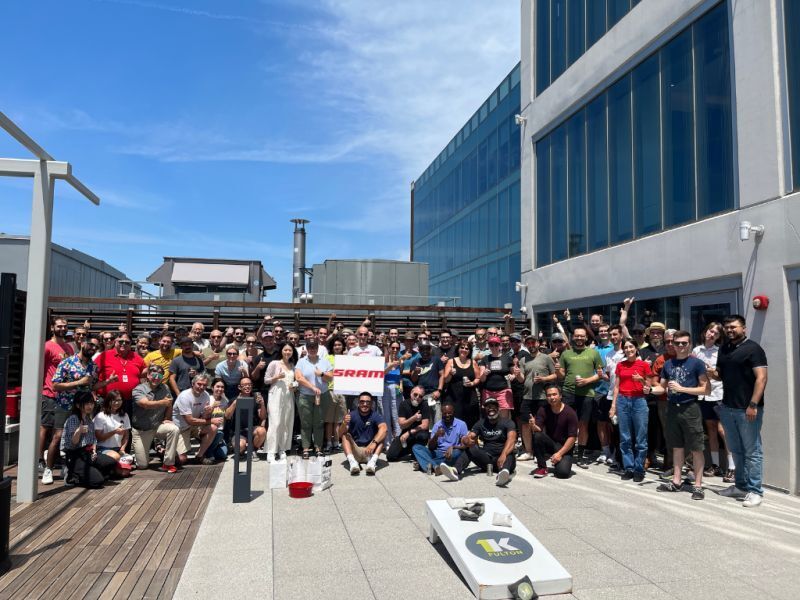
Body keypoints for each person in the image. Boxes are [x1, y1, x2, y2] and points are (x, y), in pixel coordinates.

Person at [649, 330, 710, 500]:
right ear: (672, 345)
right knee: (676, 447)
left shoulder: (697, 363)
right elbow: (662, 387)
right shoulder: (668, 364)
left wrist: (683, 389)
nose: (681, 346)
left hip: (690, 408)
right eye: (677, 343)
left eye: (684, 343)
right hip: (672, 409)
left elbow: (706, 388)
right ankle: (676, 481)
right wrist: (651, 390)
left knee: (697, 448)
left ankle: (698, 485)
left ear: (689, 344)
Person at [715, 315, 768, 508]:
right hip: (728, 407)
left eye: (734, 327)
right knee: (736, 450)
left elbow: (761, 378)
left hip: (747, 409)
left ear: (743, 328)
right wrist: (712, 373)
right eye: (727, 327)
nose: (730, 330)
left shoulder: (753, 349)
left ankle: (755, 491)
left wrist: (753, 405)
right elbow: (722, 374)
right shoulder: (724, 349)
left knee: (752, 451)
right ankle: (741, 486)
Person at [557, 327, 603, 468]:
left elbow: (600, 374)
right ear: (573, 337)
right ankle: (566, 452)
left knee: (583, 425)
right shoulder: (566, 354)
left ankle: (581, 455)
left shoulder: (593, 353)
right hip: (568, 393)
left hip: (587, 394)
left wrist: (587, 381)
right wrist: (557, 370)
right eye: (576, 336)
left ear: (586, 338)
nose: (579, 338)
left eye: (582, 336)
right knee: (566, 424)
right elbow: (561, 376)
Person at [609, 339, 653, 482]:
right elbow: (616, 386)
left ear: (636, 348)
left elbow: (648, 387)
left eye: (631, 347)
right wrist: (613, 405)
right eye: (626, 347)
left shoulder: (644, 365)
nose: (628, 349)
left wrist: (641, 379)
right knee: (625, 438)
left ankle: (639, 469)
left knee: (641, 438)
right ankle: (628, 467)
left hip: (639, 401)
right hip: (623, 400)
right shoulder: (620, 365)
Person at [39, 317, 75, 484]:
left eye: (65, 326)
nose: (62, 328)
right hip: (50, 394)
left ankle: (53, 462)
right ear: (52, 327)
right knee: (46, 428)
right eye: (59, 326)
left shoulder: (68, 347)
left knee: (60, 433)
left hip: (66, 397)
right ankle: (41, 462)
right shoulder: (47, 346)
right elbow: (41, 369)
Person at [451, 397, 517, 486]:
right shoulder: (480, 423)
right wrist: (466, 440)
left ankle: (502, 475)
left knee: (510, 453)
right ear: (485, 409)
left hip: (504, 458)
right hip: (487, 459)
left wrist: (503, 455)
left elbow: (511, 440)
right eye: (488, 406)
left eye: (493, 406)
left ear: (498, 408)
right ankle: (455, 471)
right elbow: (470, 436)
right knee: (471, 449)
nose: (491, 408)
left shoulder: (508, 422)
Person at [692, 322, 728, 478]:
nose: (711, 334)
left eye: (716, 333)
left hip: (718, 395)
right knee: (711, 430)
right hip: (703, 395)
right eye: (710, 331)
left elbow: (722, 376)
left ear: (719, 337)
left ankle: (732, 467)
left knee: (723, 431)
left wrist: (712, 372)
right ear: (705, 331)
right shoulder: (696, 350)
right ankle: (715, 465)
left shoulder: (720, 352)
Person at [61, 392, 118, 488]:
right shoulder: (73, 419)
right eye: (87, 403)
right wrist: (78, 431)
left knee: (111, 462)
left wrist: (94, 451)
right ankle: (72, 475)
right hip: (74, 455)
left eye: (91, 403)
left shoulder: (89, 420)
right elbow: (72, 444)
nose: (90, 406)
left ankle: (91, 472)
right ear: (78, 405)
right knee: (97, 481)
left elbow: (93, 440)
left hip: (87, 453)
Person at [131, 364, 179, 472]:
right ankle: (145, 453)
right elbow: (145, 404)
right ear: (148, 375)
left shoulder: (165, 387)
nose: (156, 378)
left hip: (157, 426)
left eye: (160, 376)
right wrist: (162, 402)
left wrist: (167, 418)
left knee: (174, 429)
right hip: (142, 430)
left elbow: (169, 404)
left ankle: (168, 463)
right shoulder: (139, 389)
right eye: (154, 375)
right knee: (142, 465)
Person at [519, 335, 557, 461]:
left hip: (542, 396)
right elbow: (521, 379)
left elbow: (555, 375)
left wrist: (543, 379)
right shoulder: (523, 360)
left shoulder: (546, 358)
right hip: (527, 396)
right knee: (525, 424)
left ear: (538, 343)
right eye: (528, 343)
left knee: (542, 424)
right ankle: (529, 452)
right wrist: (516, 374)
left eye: (533, 342)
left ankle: (542, 452)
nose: (531, 345)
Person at [294, 340, 332, 456]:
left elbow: (331, 377)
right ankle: (305, 448)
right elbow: (299, 378)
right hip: (305, 396)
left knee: (319, 422)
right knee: (306, 423)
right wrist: (312, 387)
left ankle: (318, 447)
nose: (312, 349)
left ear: (317, 347)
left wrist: (321, 374)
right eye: (309, 346)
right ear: (306, 347)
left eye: (314, 346)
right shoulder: (301, 362)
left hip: (322, 395)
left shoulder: (324, 362)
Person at [531, 385, 578, 479]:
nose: (552, 397)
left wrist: (559, 454)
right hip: (551, 444)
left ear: (560, 396)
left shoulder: (570, 412)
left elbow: (573, 437)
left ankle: (557, 460)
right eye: (549, 395)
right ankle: (542, 467)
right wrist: (533, 426)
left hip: (565, 447)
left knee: (562, 474)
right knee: (537, 436)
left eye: (554, 394)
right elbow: (538, 430)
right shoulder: (543, 409)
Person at [94, 333, 145, 417]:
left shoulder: (136, 357)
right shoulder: (104, 355)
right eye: (121, 341)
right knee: (104, 427)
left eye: (127, 342)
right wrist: (93, 393)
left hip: (128, 402)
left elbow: (145, 372)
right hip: (107, 400)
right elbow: (92, 375)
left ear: (130, 343)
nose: (123, 344)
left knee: (125, 428)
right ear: (115, 342)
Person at [172, 374, 218, 466]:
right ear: (193, 384)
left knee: (213, 428)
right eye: (199, 384)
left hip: (195, 426)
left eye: (204, 385)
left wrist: (207, 413)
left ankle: (199, 456)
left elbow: (202, 418)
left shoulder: (205, 395)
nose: (201, 387)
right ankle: (167, 450)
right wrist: (210, 421)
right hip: (182, 428)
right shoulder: (184, 396)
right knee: (182, 460)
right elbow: (190, 420)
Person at [339, 392, 387, 475]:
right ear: (358, 403)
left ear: (371, 404)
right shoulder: (351, 415)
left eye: (368, 402)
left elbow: (384, 428)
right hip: (355, 451)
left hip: (369, 451)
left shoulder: (375, 415)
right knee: (345, 435)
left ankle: (372, 463)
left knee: (382, 436)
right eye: (362, 401)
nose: (365, 404)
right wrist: (344, 423)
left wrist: (374, 443)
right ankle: (352, 463)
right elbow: (339, 435)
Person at [414, 401, 467, 478]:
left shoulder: (461, 424)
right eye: (445, 413)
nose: (447, 415)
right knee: (416, 447)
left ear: (453, 413)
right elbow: (431, 447)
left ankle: (426, 464)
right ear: (442, 413)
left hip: (452, 453)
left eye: (449, 413)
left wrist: (453, 447)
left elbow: (464, 445)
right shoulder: (437, 425)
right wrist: (436, 435)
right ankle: (436, 467)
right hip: (438, 452)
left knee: (458, 453)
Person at [264, 343, 298, 462]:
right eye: (285, 350)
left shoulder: (292, 365)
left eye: (290, 350)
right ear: (281, 351)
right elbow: (266, 380)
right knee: (275, 422)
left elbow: (294, 381)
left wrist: (294, 386)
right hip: (276, 395)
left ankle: (282, 449)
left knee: (286, 422)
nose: (287, 352)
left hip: (289, 396)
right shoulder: (274, 363)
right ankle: (271, 451)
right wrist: (277, 377)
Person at [386, 385, 431, 462]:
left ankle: (416, 451)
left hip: (417, 434)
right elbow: (402, 425)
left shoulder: (424, 405)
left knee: (423, 435)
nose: (417, 398)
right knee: (390, 456)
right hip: (405, 435)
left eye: (420, 396)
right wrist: (413, 418)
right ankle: (411, 450)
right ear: (411, 393)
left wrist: (409, 432)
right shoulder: (404, 404)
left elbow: (425, 425)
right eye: (415, 394)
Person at [93, 390, 132, 477]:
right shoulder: (101, 416)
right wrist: (114, 432)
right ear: (108, 401)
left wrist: (122, 449)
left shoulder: (124, 415)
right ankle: (107, 469)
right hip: (103, 448)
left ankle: (112, 470)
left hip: (117, 449)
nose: (117, 403)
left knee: (127, 465)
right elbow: (99, 437)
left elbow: (126, 435)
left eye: (119, 400)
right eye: (114, 400)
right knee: (115, 457)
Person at [442, 341, 481, 428]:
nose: (464, 350)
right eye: (462, 347)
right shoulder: (451, 362)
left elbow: (478, 378)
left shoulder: (473, 362)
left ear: (470, 351)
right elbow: (446, 380)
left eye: (467, 348)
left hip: (470, 396)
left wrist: (472, 383)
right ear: (458, 349)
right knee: (455, 420)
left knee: (471, 420)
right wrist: (450, 374)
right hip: (454, 397)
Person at [228, 378, 267, 458]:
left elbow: (262, 417)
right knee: (240, 446)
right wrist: (236, 402)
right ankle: (242, 451)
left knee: (262, 431)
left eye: (249, 384)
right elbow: (227, 416)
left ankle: (252, 450)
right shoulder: (233, 400)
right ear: (239, 387)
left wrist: (262, 404)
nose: (247, 386)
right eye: (245, 385)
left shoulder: (255, 399)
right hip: (238, 431)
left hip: (252, 429)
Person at [478, 336, 514, 421]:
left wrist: (512, 376)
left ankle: (503, 434)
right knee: (489, 417)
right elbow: (482, 379)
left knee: (503, 418)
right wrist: (484, 374)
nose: (494, 347)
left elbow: (514, 373)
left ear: (500, 345)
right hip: (488, 391)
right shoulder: (485, 358)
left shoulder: (507, 358)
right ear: (489, 346)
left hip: (503, 391)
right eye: (491, 345)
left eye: (496, 345)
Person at [407, 341, 445, 422]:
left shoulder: (436, 360)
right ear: (419, 350)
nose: (425, 351)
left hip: (434, 394)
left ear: (430, 349)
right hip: (420, 396)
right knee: (423, 421)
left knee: (437, 420)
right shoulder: (416, 361)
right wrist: (416, 372)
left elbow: (442, 375)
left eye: (427, 349)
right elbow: (413, 379)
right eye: (422, 349)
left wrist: (439, 390)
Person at [324, 336, 348, 452]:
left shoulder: (347, 358)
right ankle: (328, 442)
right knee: (329, 420)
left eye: (339, 345)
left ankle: (336, 442)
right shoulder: (327, 358)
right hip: (330, 390)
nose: (337, 347)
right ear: (331, 347)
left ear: (343, 346)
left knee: (339, 420)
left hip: (343, 391)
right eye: (335, 345)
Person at [381, 341, 403, 447]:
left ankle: (398, 440)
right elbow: (381, 374)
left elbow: (401, 376)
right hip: (385, 387)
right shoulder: (383, 360)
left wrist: (401, 385)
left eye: (397, 348)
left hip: (396, 388)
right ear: (389, 348)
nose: (395, 350)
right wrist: (390, 366)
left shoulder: (400, 361)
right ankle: (387, 442)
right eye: (393, 348)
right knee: (386, 415)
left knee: (396, 415)